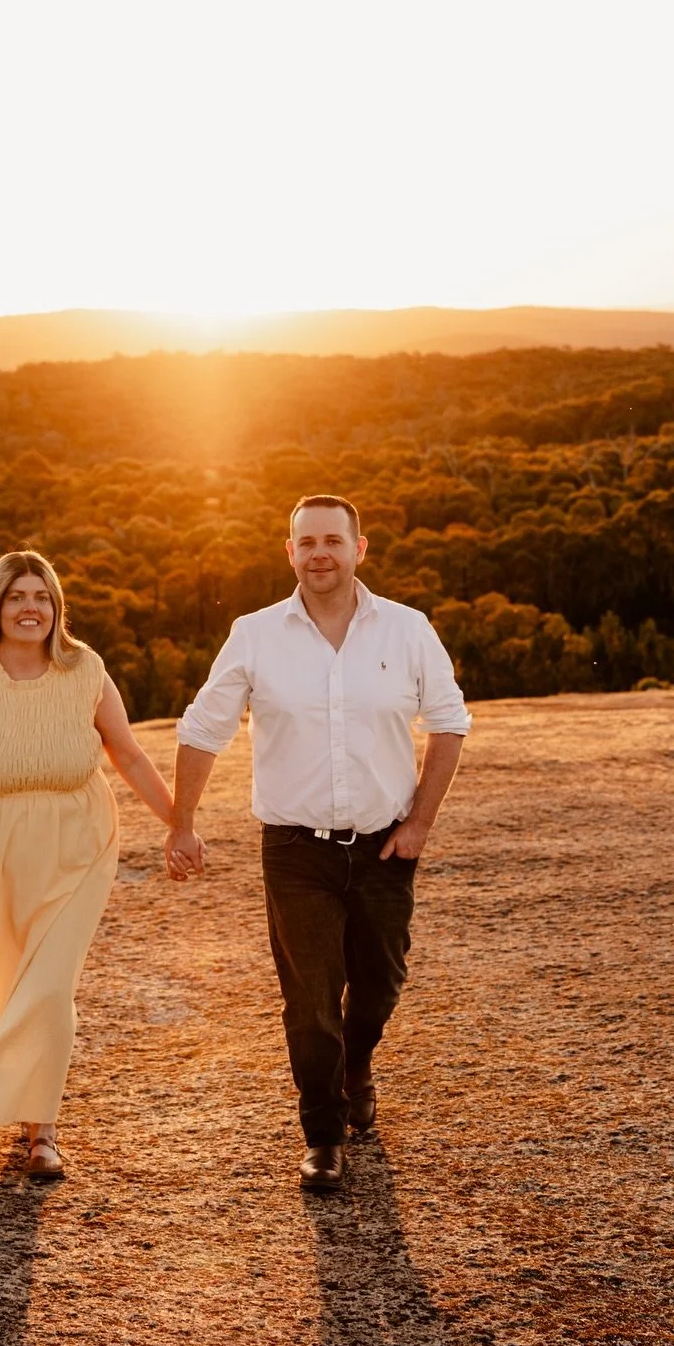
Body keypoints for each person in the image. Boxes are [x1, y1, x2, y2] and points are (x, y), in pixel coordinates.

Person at [164, 495, 470, 1191]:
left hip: (385, 846)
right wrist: (182, 823)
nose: (320, 553)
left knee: (380, 985)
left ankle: (356, 1065)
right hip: (295, 850)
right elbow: (203, 729)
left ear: (360, 549)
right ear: (290, 552)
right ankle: (323, 1135)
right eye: (307, 542)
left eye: (334, 540)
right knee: (310, 999)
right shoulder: (254, 634)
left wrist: (419, 824)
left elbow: (449, 723)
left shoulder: (408, 629)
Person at [0, 550, 179, 1177]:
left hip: (79, 848)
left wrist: (179, 822)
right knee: (12, 983)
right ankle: (10, 1103)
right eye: (16, 597)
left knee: (50, 988)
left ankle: (42, 1132)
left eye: (41, 597)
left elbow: (130, 755)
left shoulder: (86, 669)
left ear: (56, 608)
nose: (30, 608)